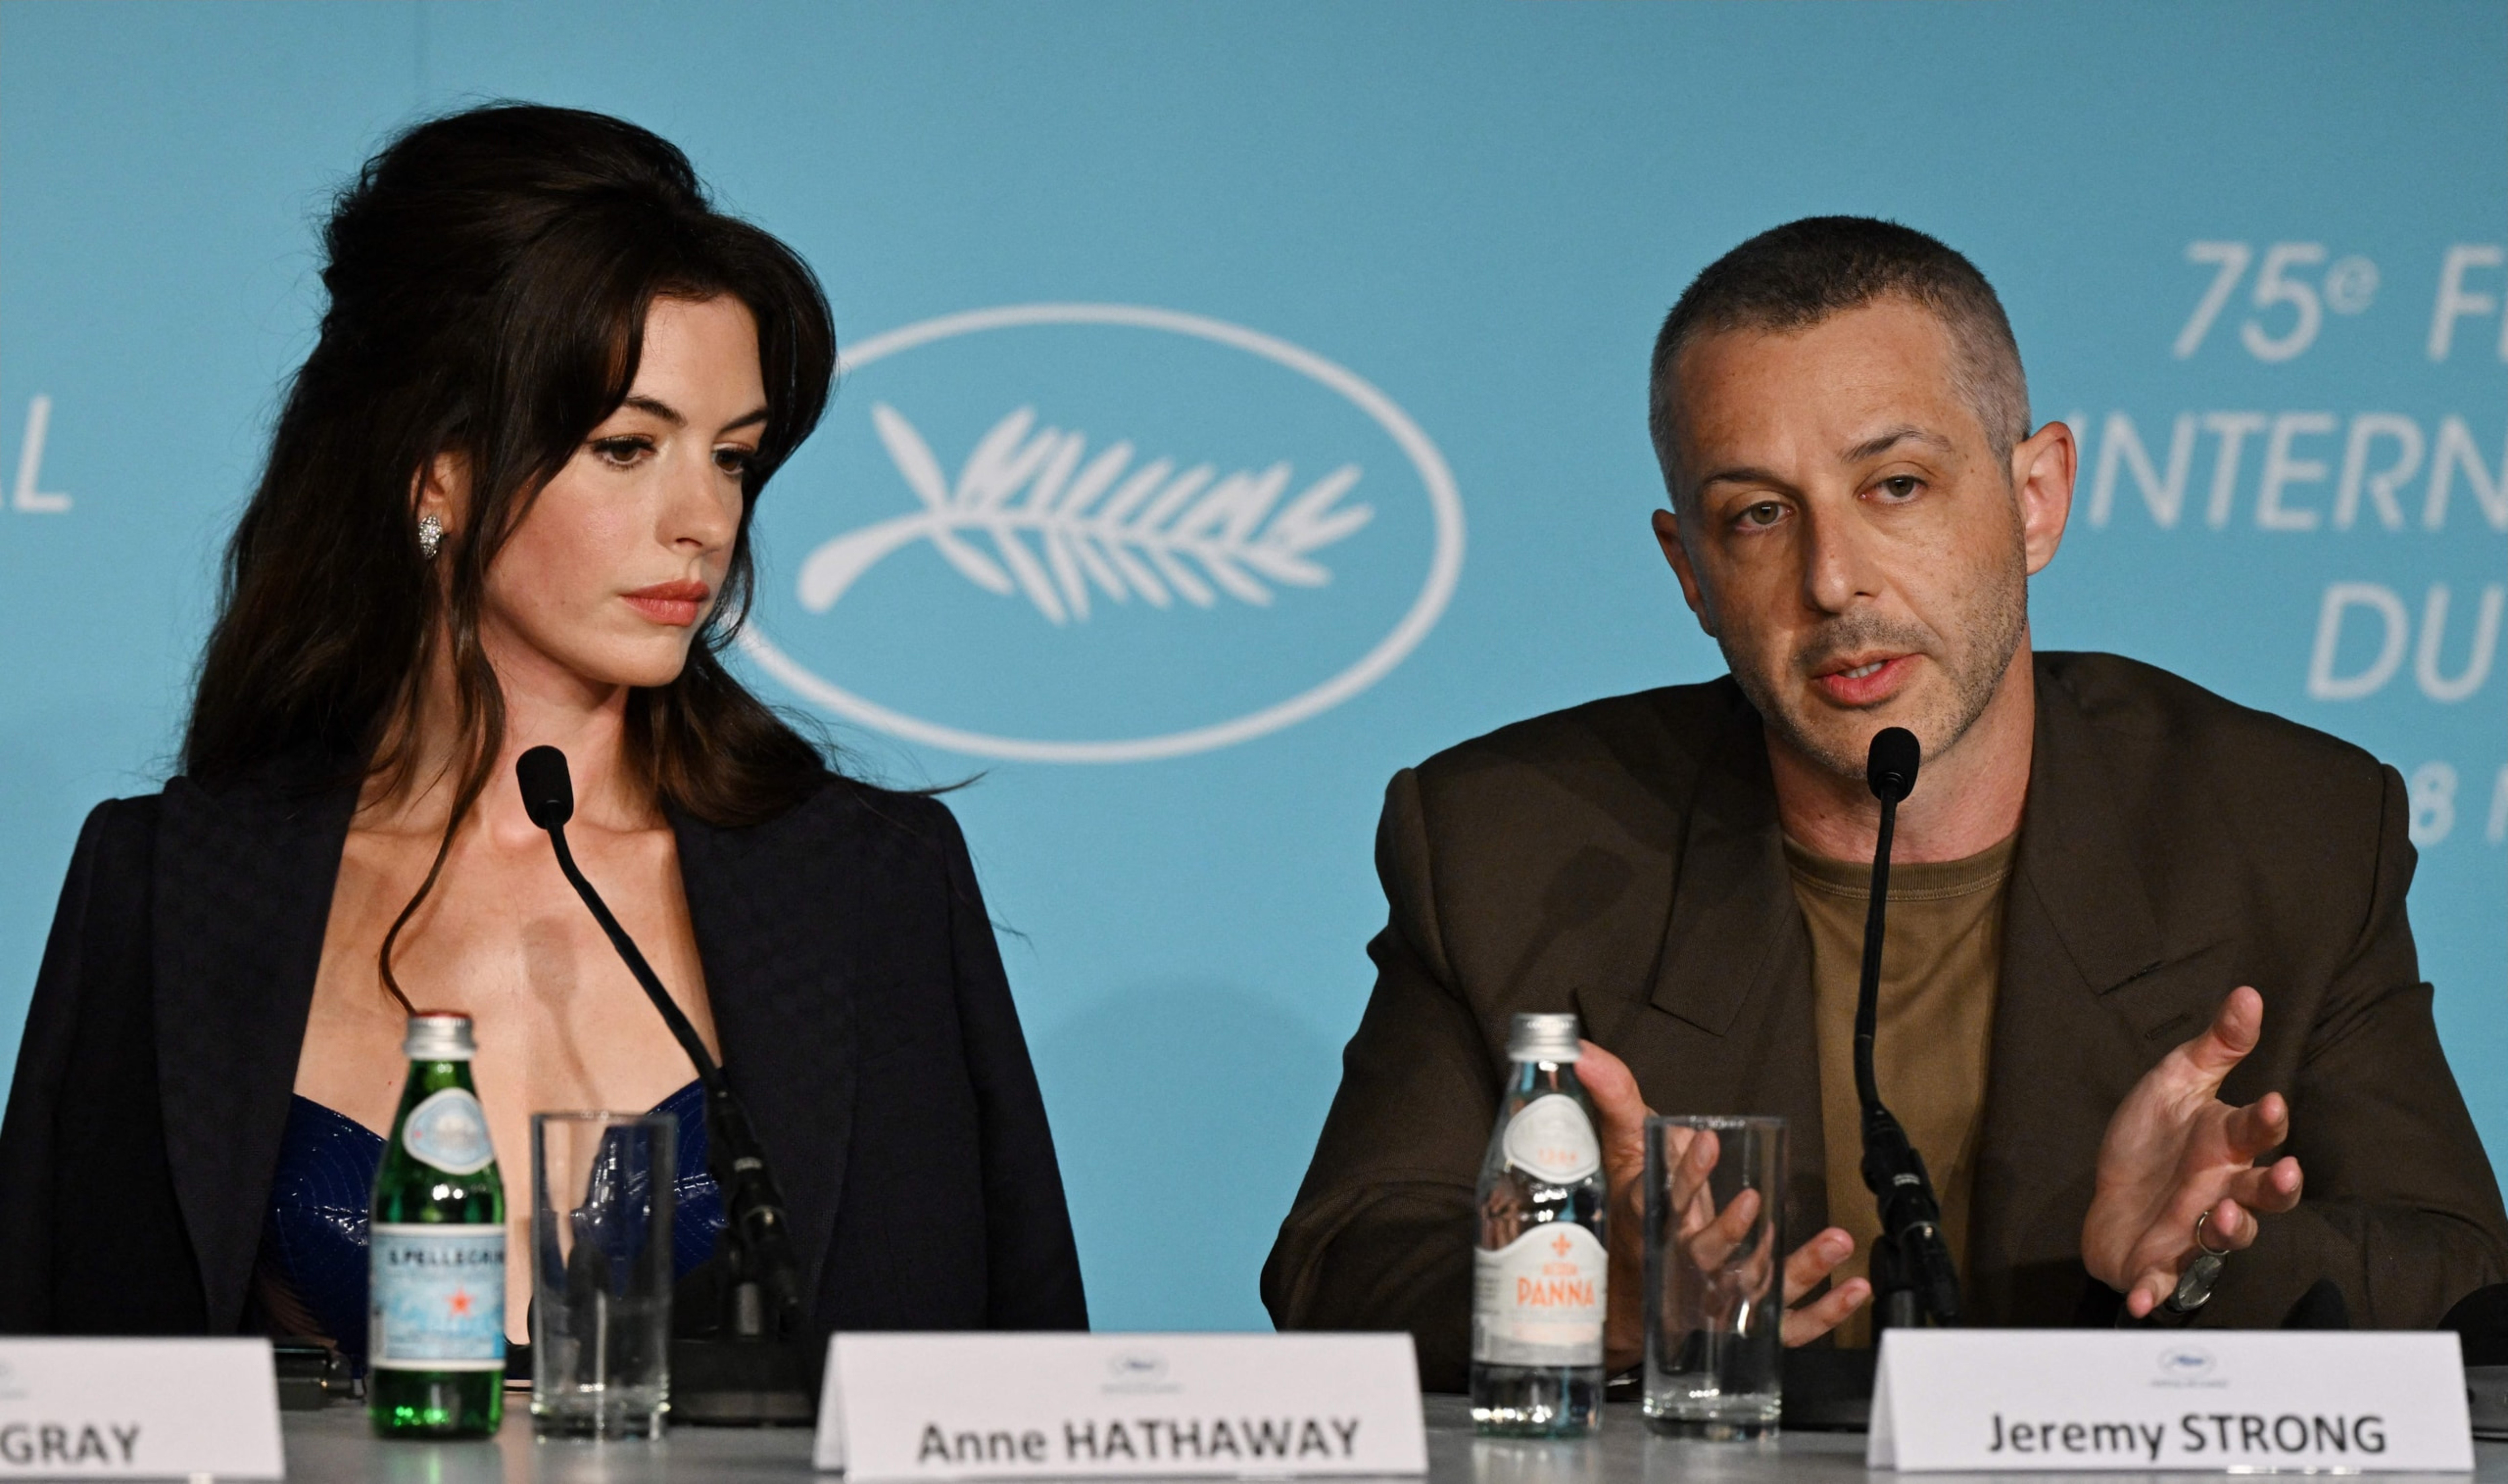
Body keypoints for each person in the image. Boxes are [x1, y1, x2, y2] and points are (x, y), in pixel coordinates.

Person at [1262, 216, 2508, 1387]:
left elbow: (2460, 1278)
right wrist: (1596, 1303)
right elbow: (1345, 1266)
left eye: (1895, 486)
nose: (1833, 579)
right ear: (1690, 572)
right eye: (1758, 515)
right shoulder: (1506, 844)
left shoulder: (2289, 830)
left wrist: (2199, 1266)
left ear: (2034, 499)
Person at [0, 104, 1088, 1358]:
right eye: (627, 448)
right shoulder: (166, 888)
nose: (704, 522)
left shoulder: (871, 887)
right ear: (436, 474)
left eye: (731, 458)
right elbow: (52, 1387)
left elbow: (1012, 1395)